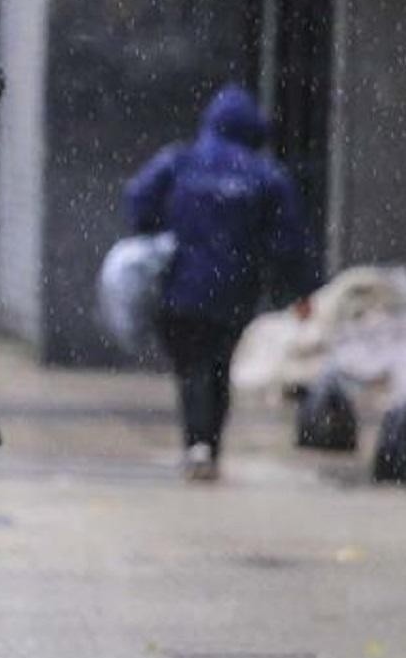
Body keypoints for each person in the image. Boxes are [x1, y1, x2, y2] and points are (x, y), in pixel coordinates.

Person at [125, 84, 316, 482]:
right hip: (233, 291)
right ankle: (208, 443)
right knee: (217, 364)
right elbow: (288, 240)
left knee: (191, 366)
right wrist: (298, 291)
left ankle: (197, 443)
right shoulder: (266, 176)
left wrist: (162, 228)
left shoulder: (180, 161)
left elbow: (138, 201)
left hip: (180, 286)